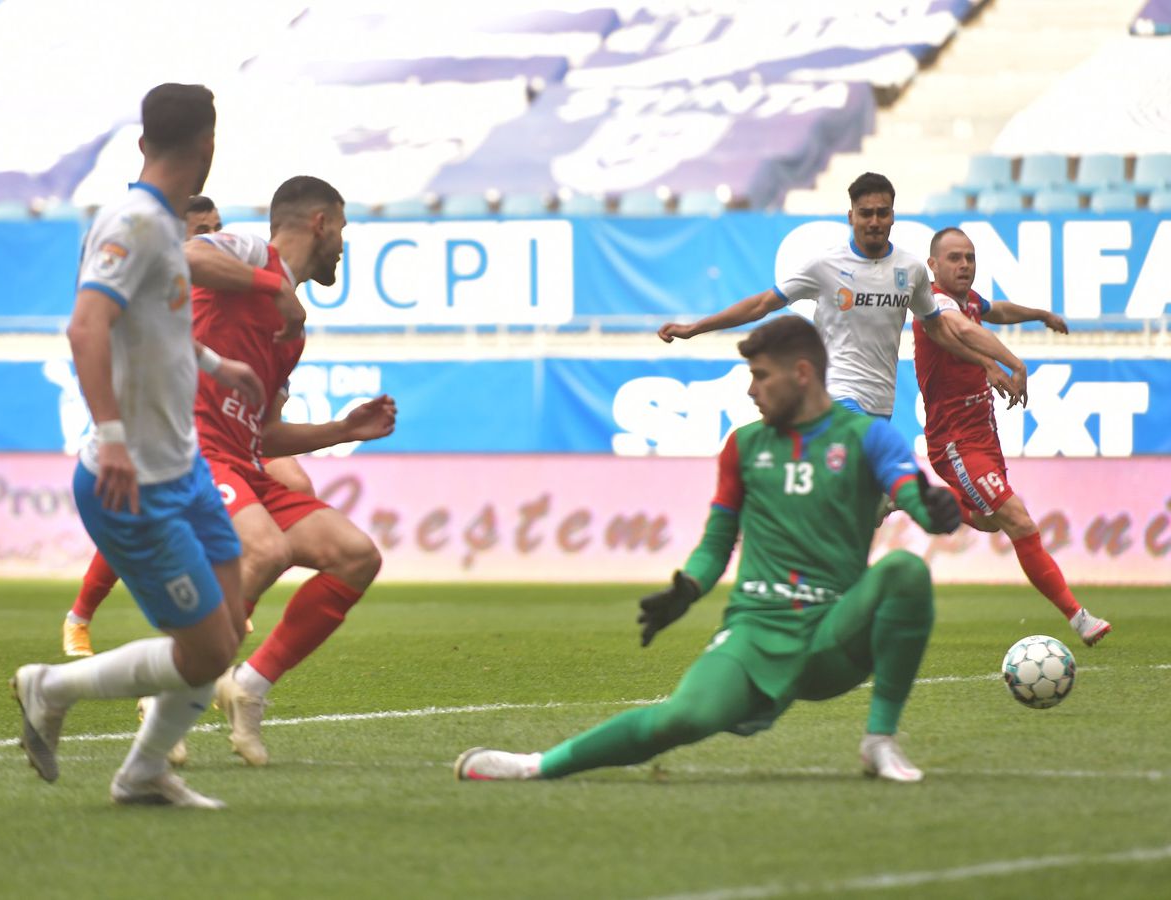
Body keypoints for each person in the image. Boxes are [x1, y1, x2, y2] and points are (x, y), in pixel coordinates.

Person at [456, 316, 962, 785]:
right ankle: (535, 766)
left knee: (904, 570)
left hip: (834, 633)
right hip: (755, 629)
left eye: (761, 376)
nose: (751, 389)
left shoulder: (868, 437)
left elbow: (912, 495)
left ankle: (879, 741)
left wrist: (932, 508)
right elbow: (718, 541)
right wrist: (688, 588)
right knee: (678, 719)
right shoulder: (744, 446)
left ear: (802, 374)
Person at [10, 83, 266, 808]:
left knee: (228, 628)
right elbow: (86, 326)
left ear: (144, 142)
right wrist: (115, 438)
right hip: (134, 481)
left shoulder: (164, 225)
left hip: (183, 469)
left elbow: (159, 323)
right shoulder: (134, 223)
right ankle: (50, 687)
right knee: (206, 650)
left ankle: (144, 773)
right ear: (208, 146)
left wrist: (217, 364)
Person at [183, 174, 396, 767]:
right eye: (343, 230)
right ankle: (175, 690)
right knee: (266, 550)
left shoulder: (292, 334)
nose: (343, 246)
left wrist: (342, 430)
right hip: (191, 448)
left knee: (355, 555)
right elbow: (186, 256)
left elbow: (265, 434)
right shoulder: (252, 251)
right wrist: (272, 284)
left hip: (238, 460)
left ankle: (247, 686)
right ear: (320, 224)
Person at [60, 195, 314, 659]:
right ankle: (81, 616)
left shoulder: (235, 285)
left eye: (217, 227)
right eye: (202, 230)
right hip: (181, 422)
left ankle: (233, 609)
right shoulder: (179, 283)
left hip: (231, 425)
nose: (213, 236)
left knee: (295, 485)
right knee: (141, 509)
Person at [658, 172, 1029, 419]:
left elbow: (939, 330)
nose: (874, 221)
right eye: (865, 213)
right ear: (851, 216)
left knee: (862, 501)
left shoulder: (911, 270)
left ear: (893, 216)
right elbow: (761, 305)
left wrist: (985, 363)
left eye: (882, 213)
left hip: (881, 400)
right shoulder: (825, 266)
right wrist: (695, 328)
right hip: (835, 392)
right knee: (858, 464)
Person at [914, 227, 1111, 647]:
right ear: (933, 265)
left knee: (990, 521)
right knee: (1018, 521)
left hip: (983, 435)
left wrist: (1040, 314)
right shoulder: (935, 303)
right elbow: (962, 331)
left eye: (969, 257)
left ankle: (910, 495)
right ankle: (1079, 617)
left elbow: (995, 310)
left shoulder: (968, 301)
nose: (964, 264)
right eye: (954, 258)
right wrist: (1012, 362)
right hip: (954, 440)